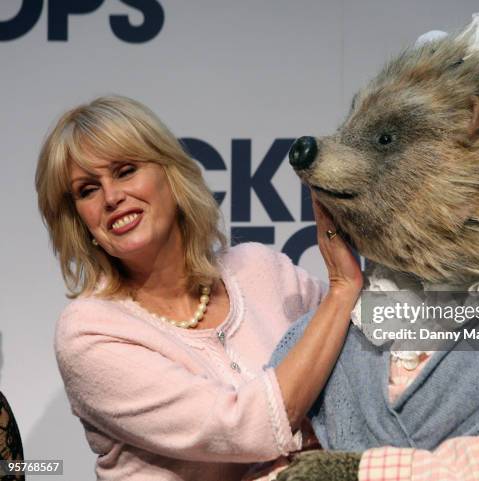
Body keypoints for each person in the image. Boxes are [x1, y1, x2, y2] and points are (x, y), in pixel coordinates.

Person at [35, 95, 362, 481]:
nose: (111, 197)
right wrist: (343, 287)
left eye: (125, 171)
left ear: (171, 176)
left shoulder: (261, 269)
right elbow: (242, 429)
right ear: (78, 220)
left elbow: (368, 366)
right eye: (87, 190)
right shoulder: (89, 332)